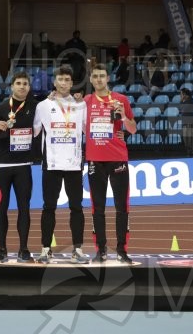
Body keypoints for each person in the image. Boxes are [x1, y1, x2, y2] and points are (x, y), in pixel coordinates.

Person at [32, 65, 90, 264]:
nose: (64, 83)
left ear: (72, 83)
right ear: (54, 82)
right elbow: (34, 132)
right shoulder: (42, 106)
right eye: (60, 79)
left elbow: (87, 131)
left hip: (74, 164)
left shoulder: (81, 105)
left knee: (77, 207)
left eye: (67, 80)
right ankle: (46, 249)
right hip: (51, 164)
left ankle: (78, 250)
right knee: (49, 207)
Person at [0, 71, 40, 264]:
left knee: (24, 208)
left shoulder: (34, 107)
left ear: (29, 87)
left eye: (25, 83)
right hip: (2, 166)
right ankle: (1, 250)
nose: (22, 86)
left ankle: (23, 250)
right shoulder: (0, 108)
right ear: (12, 86)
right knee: (2, 207)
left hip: (24, 166)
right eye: (19, 83)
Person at [84, 63, 137, 264]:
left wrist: (123, 116)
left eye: (102, 76)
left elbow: (133, 129)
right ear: (91, 79)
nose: (98, 79)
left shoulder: (121, 100)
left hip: (118, 160)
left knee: (121, 208)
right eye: (95, 76)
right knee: (98, 208)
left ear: (108, 79)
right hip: (95, 161)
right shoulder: (86, 101)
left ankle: (122, 250)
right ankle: (101, 250)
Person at [179, 88, 193, 157]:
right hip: (185, 121)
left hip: (190, 121)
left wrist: (182, 101)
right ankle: (190, 151)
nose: (180, 95)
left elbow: (184, 110)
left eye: (181, 94)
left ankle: (191, 152)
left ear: (184, 94)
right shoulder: (184, 101)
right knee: (187, 138)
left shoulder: (191, 100)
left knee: (189, 138)